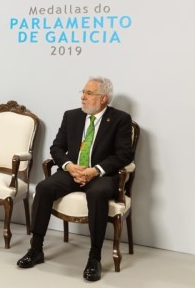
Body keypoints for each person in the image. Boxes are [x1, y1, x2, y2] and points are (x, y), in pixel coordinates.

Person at [17, 76, 133, 282]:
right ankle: (36, 249)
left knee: (97, 194)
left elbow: (124, 155)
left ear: (103, 98)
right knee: (43, 188)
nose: (83, 97)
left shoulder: (120, 119)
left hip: (101, 175)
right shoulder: (71, 116)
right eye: (83, 92)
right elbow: (56, 147)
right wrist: (69, 166)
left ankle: (94, 258)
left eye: (89, 93)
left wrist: (95, 170)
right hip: (73, 171)